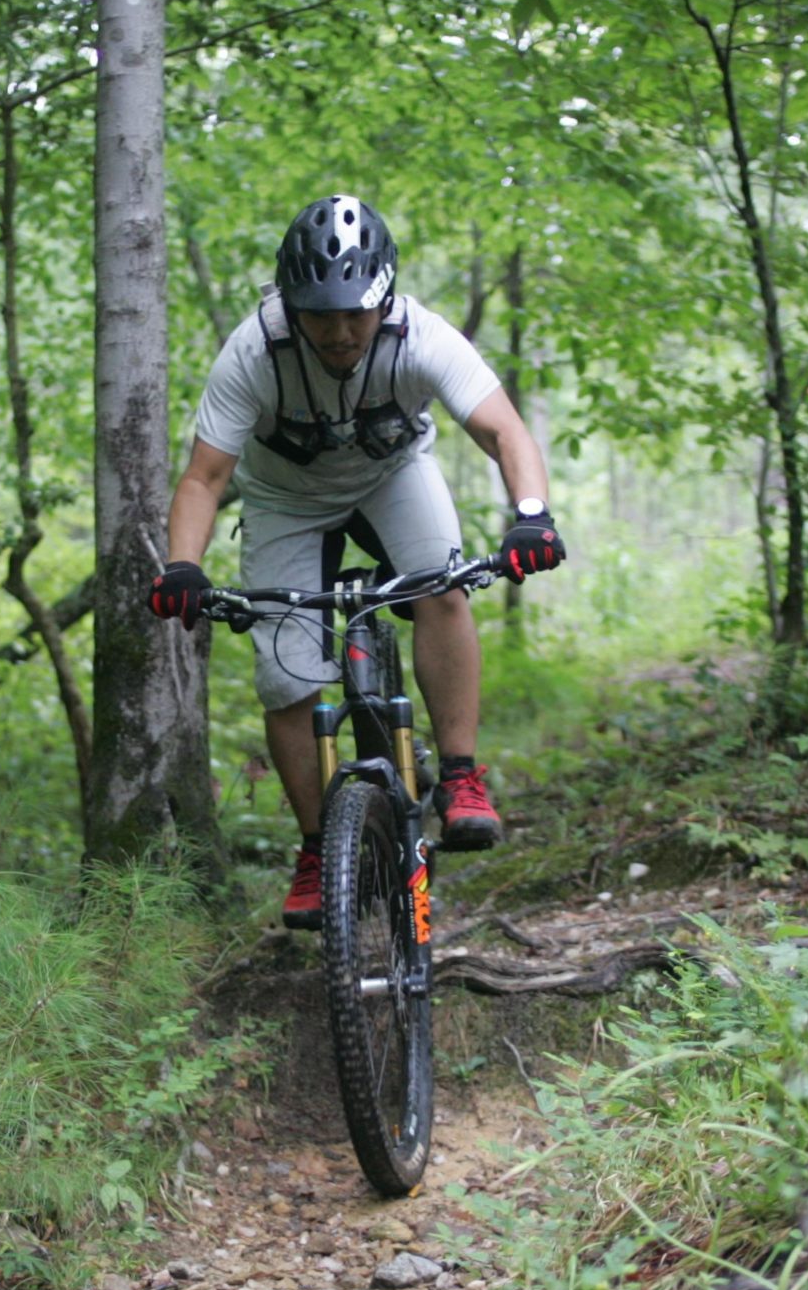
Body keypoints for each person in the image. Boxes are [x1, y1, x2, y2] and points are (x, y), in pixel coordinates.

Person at [146, 193, 565, 927]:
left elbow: (504, 431)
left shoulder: (421, 335)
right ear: (291, 305)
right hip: (284, 499)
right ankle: (317, 849)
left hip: (393, 476)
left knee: (443, 585)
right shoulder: (254, 351)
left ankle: (461, 778)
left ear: (386, 298)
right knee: (285, 678)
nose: (339, 332)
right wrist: (183, 565)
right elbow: (205, 476)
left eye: (356, 314)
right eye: (320, 314)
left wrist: (532, 517)